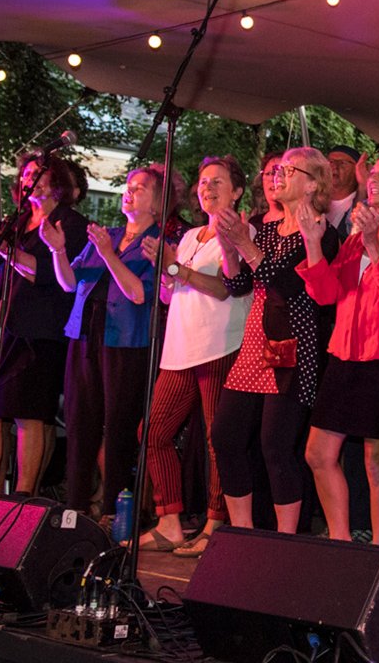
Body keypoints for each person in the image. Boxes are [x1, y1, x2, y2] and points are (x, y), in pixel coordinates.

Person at [211, 147, 340, 534]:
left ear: (313, 182)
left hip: (292, 351)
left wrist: (245, 246)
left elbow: (288, 287)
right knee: (226, 436)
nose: (278, 175)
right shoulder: (266, 229)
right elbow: (238, 285)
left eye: (288, 169)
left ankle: (285, 541)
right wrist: (227, 246)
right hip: (255, 346)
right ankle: (242, 532)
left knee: (276, 447)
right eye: (276, 169)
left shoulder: (321, 234)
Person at [300, 149, 379, 546]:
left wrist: (373, 243)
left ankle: (378, 549)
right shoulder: (355, 238)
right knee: (318, 454)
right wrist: (313, 243)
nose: (372, 179)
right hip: (344, 354)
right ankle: (340, 542)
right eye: (373, 172)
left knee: (376, 463)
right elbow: (326, 294)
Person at [134, 155, 253, 554]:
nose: (208, 188)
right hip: (179, 348)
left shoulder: (241, 231)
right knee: (153, 432)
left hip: (220, 344)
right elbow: (173, 293)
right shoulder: (189, 236)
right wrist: (164, 269)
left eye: (218, 182)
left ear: (237, 191)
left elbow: (223, 289)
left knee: (217, 436)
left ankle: (216, 522)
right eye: (203, 183)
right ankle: (170, 520)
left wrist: (175, 270)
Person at [45, 165, 165, 523]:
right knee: (79, 421)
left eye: (141, 188)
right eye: (129, 186)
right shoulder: (108, 234)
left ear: (158, 204)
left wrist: (110, 254)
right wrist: (58, 251)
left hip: (126, 340)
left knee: (118, 425)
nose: (130, 192)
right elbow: (69, 284)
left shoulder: (156, 244)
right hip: (85, 333)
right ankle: (76, 504)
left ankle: (114, 509)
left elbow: (139, 293)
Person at [0, 153, 90, 495]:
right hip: (1, 327)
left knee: (29, 413)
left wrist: (6, 248)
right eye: (25, 175)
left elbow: (49, 274)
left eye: (36, 175)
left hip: (41, 332)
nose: (28, 180)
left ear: (57, 184)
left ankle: (24, 497)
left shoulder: (70, 222)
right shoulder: (18, 219)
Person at [325, 146, 362, 235]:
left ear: (357, 170)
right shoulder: (313, 199)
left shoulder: (363, 202)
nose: (335, 166)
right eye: (331, 162)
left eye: (342, 163)